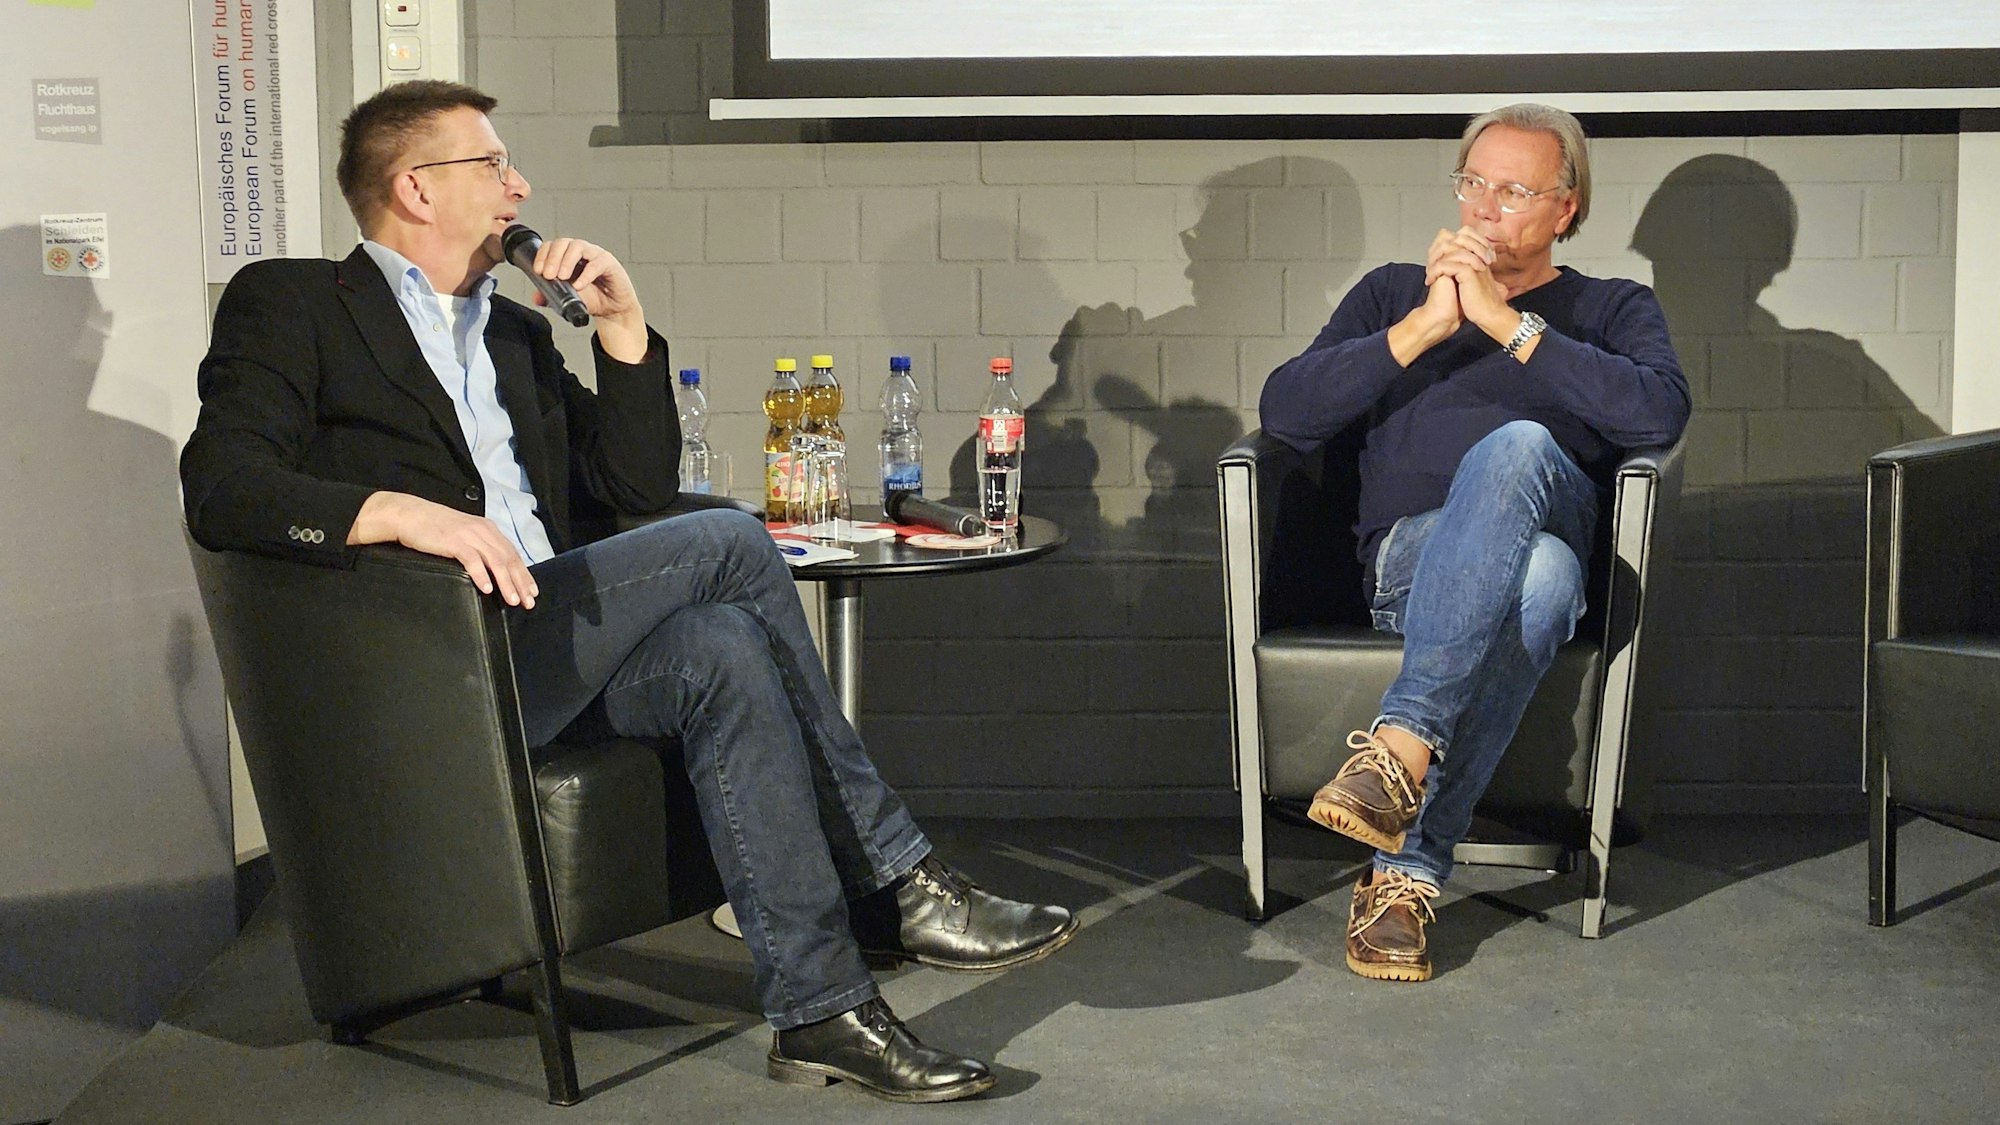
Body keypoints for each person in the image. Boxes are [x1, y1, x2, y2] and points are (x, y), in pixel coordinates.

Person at [180, 80, 1076, 1103]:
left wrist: (621, 327)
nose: (519, 186)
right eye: (493, 165)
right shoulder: (294, 303)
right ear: (415, 188)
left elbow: (633, 493)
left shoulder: (514, 335)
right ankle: (892, 880)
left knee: (721, 646)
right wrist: (400, 513)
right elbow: (223, 486)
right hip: (439, 664)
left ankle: (821, 1010)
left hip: (550, 644)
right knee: (731, 539)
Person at [1258, 104, 1690, 982]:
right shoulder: (1392, 293)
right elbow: (1286, 411)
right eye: (1474, 184)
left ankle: (1399, 768)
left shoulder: (1611, 307)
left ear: (1566, 207)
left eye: (1515, 191)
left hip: (1552, 515)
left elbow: (1659, 412)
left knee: (1520, 450)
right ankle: (1408, 858)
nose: (1485, 207)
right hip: (1407, 568)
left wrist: (1508, 326)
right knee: (1542, 577)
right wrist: (1425, 326)